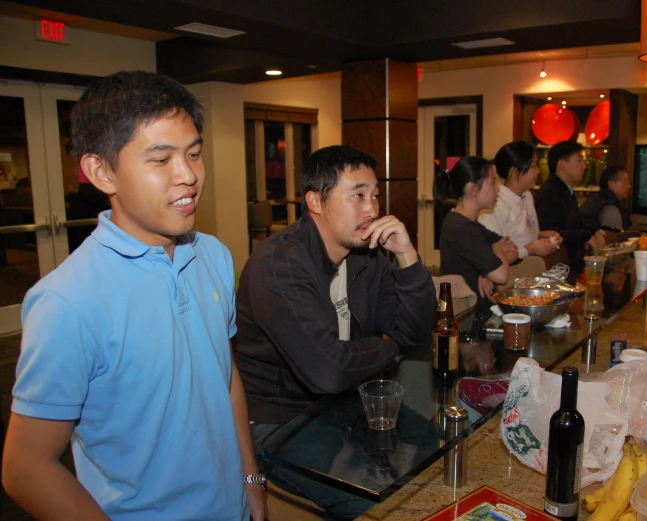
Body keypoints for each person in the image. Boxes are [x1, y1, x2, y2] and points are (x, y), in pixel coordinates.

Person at [1, 71, 266, 521]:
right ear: (102, 171)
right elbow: (25, 468)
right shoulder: (67, 301)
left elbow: (224, 375)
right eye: (161, 160)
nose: (189, 176)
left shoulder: (215, 257)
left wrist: (250, 481)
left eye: (195, 153)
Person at [234, 144, 436, 520]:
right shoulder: (279, 267)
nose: (372, 209)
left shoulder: (367, 255)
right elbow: (328, 369)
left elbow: (417, 332)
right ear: (316, 201)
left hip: (345, 402)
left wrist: (407, 258)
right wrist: (387, 348)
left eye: (375, 195)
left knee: (434, 454)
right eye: (357, 195)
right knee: (378, 502)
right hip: (280, 421)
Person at [436, 156, 519, 300]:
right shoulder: (460, 227)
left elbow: (513, 250)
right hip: (467, 313)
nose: (497, 190)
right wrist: (494, 259)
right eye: (492, 182)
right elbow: (501, 276)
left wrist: (486, 270)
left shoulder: (470, 223)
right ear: (472, 188)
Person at [478, 140, 563, 259]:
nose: (538, 171)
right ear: (514, 172)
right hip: (512, 273)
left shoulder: (526, 194)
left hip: (530, 270)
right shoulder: (495, 204)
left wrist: (539, 236)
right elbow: (494, 258)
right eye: (533, 166)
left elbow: (517, 235)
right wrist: (531, 249)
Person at [534, 141, 603, 272]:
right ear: (562, 164)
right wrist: (585, 235)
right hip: (558, 269)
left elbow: (575, 224)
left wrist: (594, 231)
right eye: (579, 161)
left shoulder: (566, 190)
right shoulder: (549, 194)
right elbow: (551, 232)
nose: (584, 166)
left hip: (570, 264)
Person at [579, 165, 632, 233]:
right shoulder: (609, 207)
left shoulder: (597, 198)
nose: (629, 186)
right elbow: (613, 239)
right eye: (625, 182)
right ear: (611, 184)